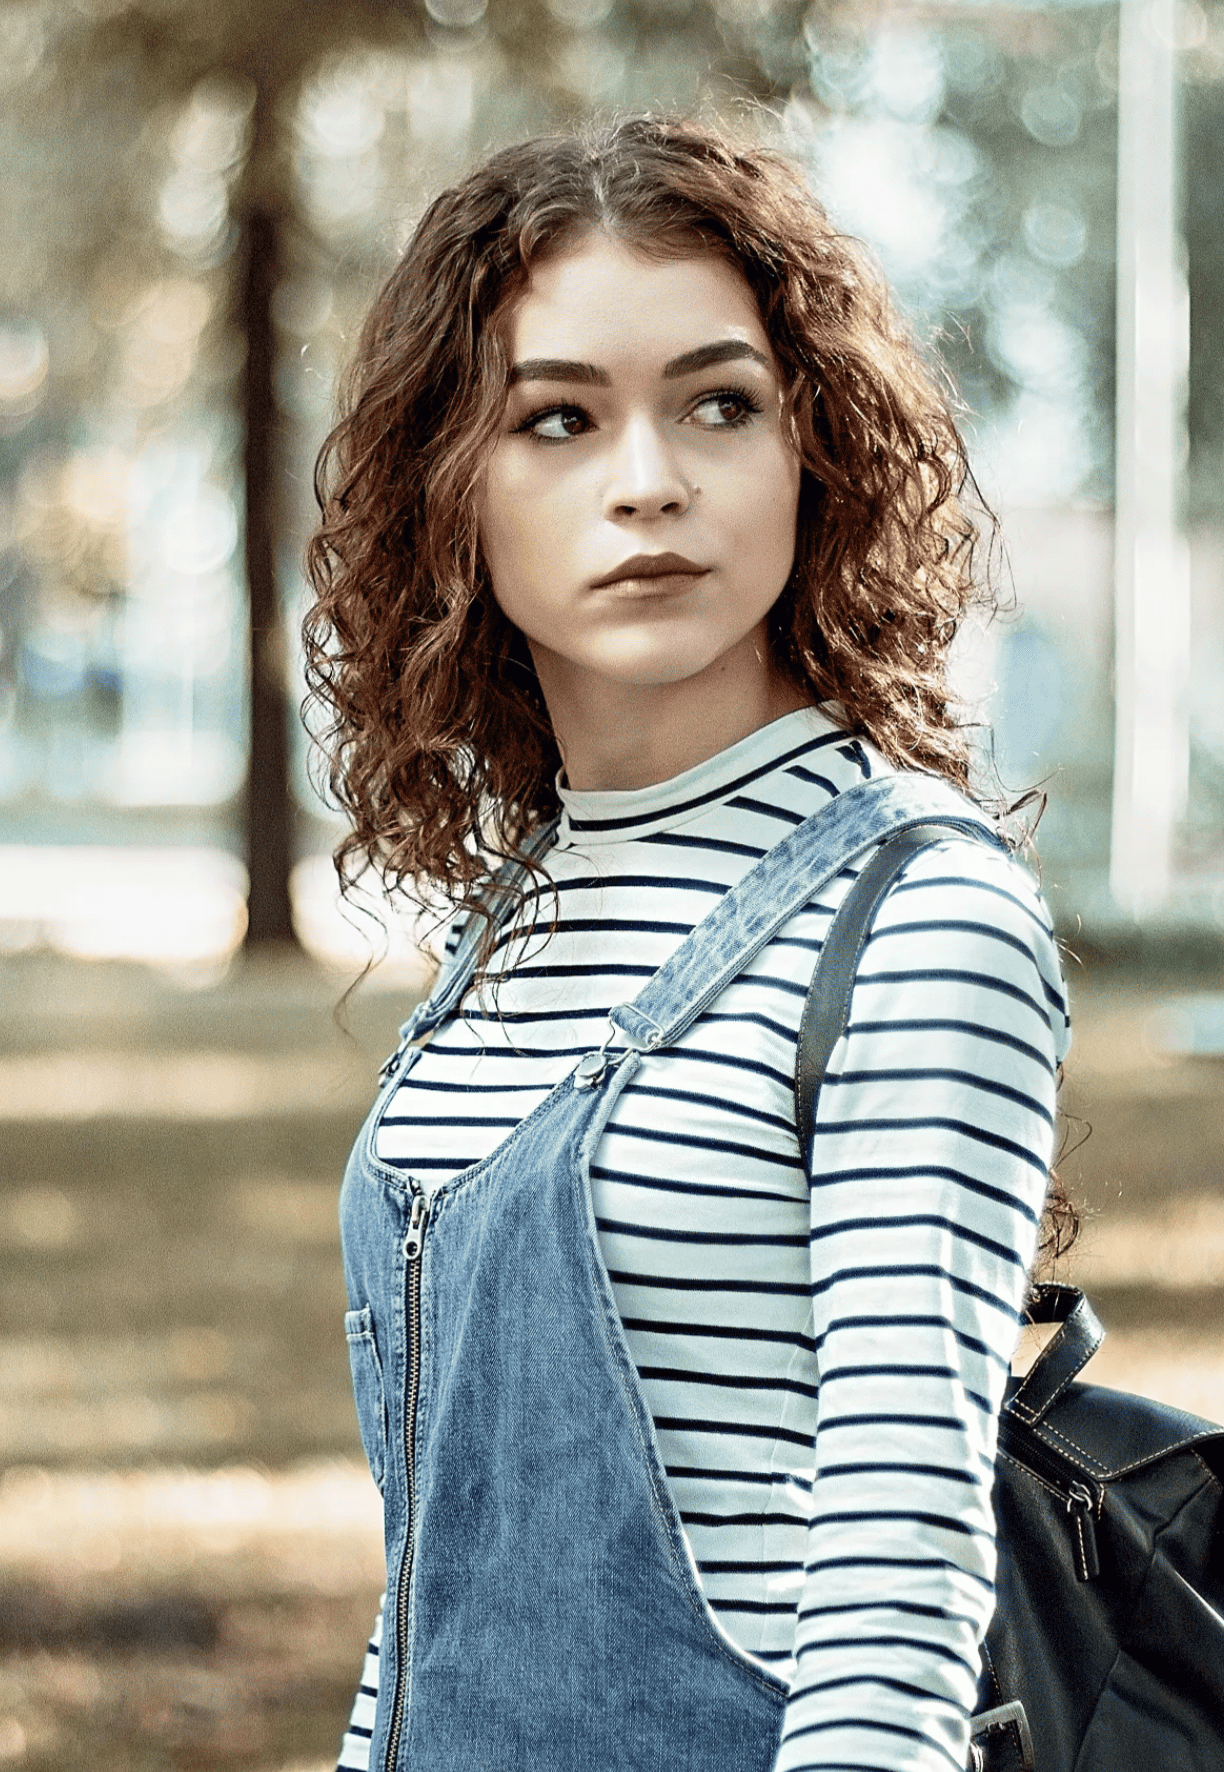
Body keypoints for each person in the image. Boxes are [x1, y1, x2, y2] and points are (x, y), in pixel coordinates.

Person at [301, 114, 1072, 1772]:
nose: (646, 479)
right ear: (457, 488)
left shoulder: (916, 918)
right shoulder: (512, 927)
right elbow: (426, 1584)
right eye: (557, 420)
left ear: (816, 455)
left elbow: (893, 1575)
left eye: (718, 405)